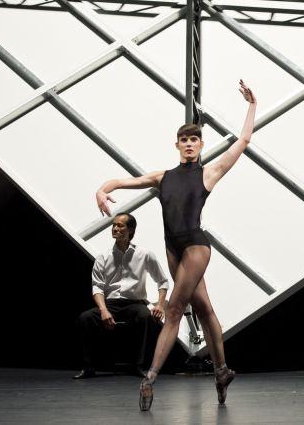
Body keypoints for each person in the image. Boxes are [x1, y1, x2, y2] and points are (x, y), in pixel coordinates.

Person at [95, 79, 257, 410]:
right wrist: (102, 189)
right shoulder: (163, 177)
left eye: (194, 140)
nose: (189, 144)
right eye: (184, 140)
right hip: (173, 248)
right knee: (204, 308)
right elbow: (123, 181)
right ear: (177, 145)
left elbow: (242, 141)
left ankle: (149, 378)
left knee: (173, 310)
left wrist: (252, 105)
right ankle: (222, 371)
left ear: (200, 145)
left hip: (196, 246)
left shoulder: (208, 173)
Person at [74, 212, 169, 379]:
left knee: (146, 316)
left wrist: (160, 305)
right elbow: (97, 287)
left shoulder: (144, 254)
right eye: (114, 225)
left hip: (135, 303)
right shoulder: (103, 257)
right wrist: (103, 310)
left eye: (120, 225)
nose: (115, 228)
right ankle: (88, 367)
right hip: (110, 304)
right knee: (85, 318)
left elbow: (162, 281)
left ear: (130, 229)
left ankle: (138, 365)